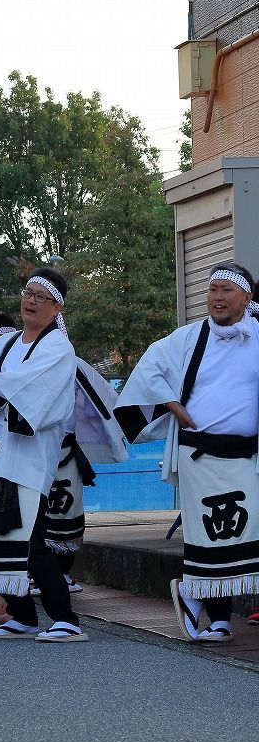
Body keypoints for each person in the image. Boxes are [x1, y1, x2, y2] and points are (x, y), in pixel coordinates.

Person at [117, 262, 259, 644]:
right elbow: (149, 370)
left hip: (247, 458)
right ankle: (218, 618)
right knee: (211, 533)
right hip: (201, 454)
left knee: (241, 536)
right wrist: (172, 404)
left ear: (247, 297)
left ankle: (195, 596)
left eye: (226, 290)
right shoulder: (188, 337)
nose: (216, 297)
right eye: (212, 289)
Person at [0, 267, 84, 642]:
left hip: (28, 452)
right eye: (28, 293)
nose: (30, 301)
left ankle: (65, 617)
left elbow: (34, 392)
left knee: (28, 535)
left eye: (40, 297)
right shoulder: (7, 341)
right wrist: (0, 383)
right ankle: (22, 615)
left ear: (56, 307)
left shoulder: (59, 348)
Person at [29, 357, 125, 596]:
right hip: (37, 452)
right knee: (36, 516)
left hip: (66, 451)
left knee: (68, 513)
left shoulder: (74, 367)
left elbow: (98, 400)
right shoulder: (28, 366)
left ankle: (62, 573)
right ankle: (39, 574)